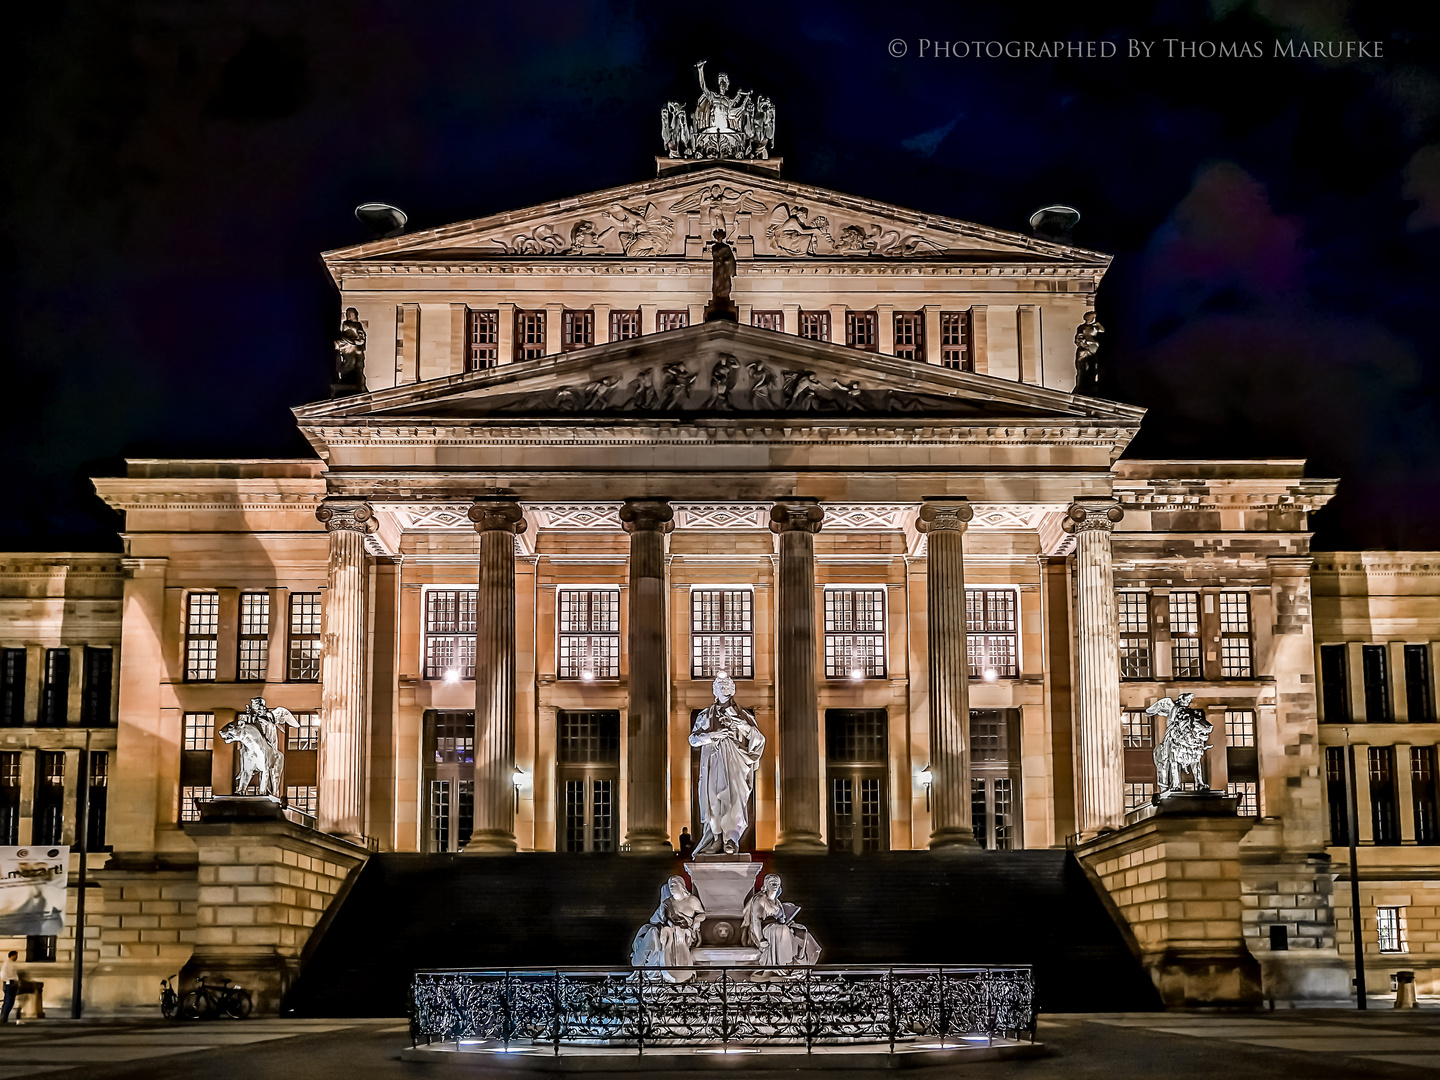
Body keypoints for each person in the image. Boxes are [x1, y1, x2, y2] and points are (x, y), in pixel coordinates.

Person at [689, 673, 765, 854]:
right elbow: (693, 739)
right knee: (713, 800)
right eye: (720, 685)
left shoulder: (744, 716)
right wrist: (711, 735)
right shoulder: (705, 716)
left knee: (734, 801)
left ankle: (731, 838)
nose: (724, 687)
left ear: (733, 689)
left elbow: (759, 739)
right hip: (713, 763)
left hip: (736, 763)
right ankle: (716, 839)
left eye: (727, 685)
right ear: (714, 691)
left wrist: (742, 726)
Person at [1, 950, 18, 1023]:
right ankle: (3, 1018)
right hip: (10, 984)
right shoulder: (8, 963)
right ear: (13, 955)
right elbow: (3, 974)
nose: (17, 957)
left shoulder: (9, 963)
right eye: (16, 955)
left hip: (10, 983)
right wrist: (9, 981)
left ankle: (3, 1017)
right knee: (9, 1001)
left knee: (8, 1001)